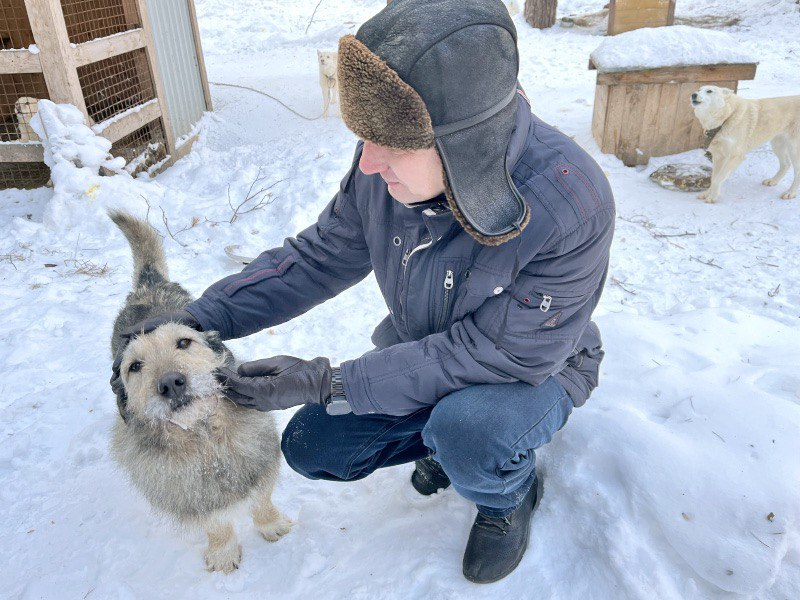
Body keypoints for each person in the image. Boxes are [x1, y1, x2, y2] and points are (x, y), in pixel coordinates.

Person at [112, 0, 615, 584]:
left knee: (468, 432)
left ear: (465, 144)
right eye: (365, 141)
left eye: (392, 148)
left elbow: (498, 354)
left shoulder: (569, 204)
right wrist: (199, 317)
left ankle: (506, 491)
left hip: (530, 371)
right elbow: (318, 257)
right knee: (311, 446)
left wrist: (334, 381)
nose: (369, 164)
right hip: (425, 349)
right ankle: (439, 441)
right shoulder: (386, 168)